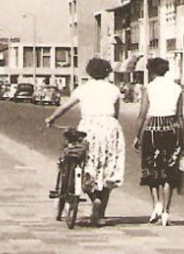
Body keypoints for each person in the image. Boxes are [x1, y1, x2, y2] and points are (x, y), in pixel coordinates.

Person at [45, 57, 125, 227]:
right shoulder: (114, 89)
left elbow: (65, 106)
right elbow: (116, 113)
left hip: (88, 129)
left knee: (85, 166)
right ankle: (101, 213)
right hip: (110, 128)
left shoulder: (83, 89)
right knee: (106, 169)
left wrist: (51, 119)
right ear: (107, 71)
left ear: (89, 71)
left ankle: (94, 199)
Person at [135, 56, 184, 226]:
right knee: (169, 172)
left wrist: (137, 136)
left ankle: (156, 204)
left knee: (152, 169)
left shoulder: (148, 88)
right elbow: (180, 116)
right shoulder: (177, 88)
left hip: (153, 130)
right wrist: (182, 140)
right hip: (171, 129)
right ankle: (166, 211)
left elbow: (142, 115)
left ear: (152, 71)